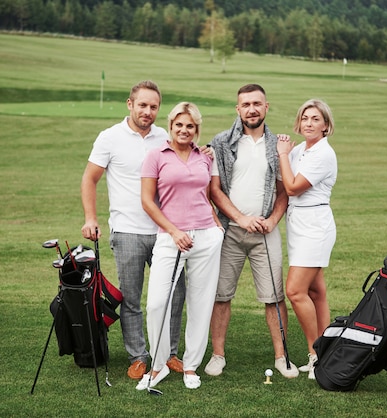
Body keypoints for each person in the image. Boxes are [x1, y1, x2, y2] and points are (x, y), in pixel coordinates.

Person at [80, 80, 186, 380]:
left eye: (153, 107)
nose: (148, 111)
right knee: (131, 298)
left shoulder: (165, 136)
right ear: (130, 104)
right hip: (127, 231)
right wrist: (91, 218)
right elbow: (90, 179)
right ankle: (139, 356)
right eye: (142, 105)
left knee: (176, 293)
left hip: (165, 231)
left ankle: (170, 353)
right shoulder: (109, 138)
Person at [204, 84, 298, 379]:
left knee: (274, 297)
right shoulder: (220, 143)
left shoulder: (279, 146)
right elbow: (214, 191)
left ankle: (282, 357)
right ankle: (217, 355)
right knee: (221, 295)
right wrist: (241, 218)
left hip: (266, 232)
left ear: (266, 107)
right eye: (246, 104)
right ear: (238, 109)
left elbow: (284, 191)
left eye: (257, 103)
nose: (252, 109)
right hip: (230, 230)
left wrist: (272, 220)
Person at [137, 102, 224, 390]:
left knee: (200, 303)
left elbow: (212, 193)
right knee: (157, 303)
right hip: (170, 237)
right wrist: (174, 232)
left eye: (190, 126)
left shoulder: (206, 157)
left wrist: (216, 225)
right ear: (171, 126)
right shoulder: (155, 156)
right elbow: (148, 201)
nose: (184, 130)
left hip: (206, 237)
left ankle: (190, 366)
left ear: (196, 130)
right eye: (179, 125)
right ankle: (158, 366)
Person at [275, 98, 337, 380]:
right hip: (298, 225)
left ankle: (315, 355)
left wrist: (283, 155)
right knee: (315, 292)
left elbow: (293, 187)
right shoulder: (301, 149)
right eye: (305, 118)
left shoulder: (323, 154)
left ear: (326, 125)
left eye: (315, 119)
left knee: (295, 291)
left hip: (315, 226)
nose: (309, 123)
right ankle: (326, 353)